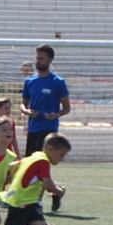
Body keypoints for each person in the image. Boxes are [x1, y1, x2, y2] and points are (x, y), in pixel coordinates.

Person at [22, 43, 70, 211]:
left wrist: (55, 114)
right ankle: (58, 192)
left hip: (49, 131)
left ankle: (37, 202)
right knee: (30, 166)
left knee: (41, 166)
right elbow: (23, 106)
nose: (38, 61)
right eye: (37, 57)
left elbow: (66, 108)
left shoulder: (58, 82)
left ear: (49, 60)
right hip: (33, 129)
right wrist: (28, 112)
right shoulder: (29, 81)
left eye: (41, 58)